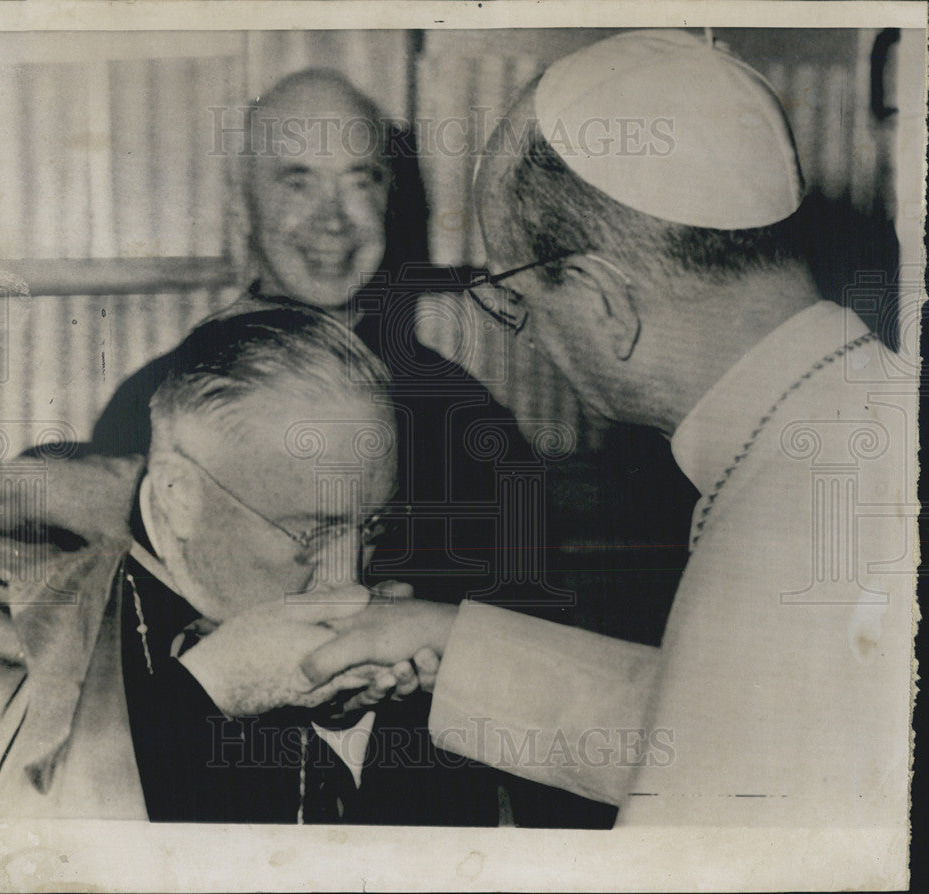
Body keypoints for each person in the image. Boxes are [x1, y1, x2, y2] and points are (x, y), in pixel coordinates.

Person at [298, 30, 914, 827]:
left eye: (519, 296)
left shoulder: (783, 540)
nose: (527, 330)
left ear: (604, 303)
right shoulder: (845, 424)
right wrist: (449, 645)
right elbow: (725, 738)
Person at [0, 307, 502, 825]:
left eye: (373, 526)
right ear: (179, 494)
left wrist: (350, 724)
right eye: (316, 532)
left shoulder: (406, 577)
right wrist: (213, 687)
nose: (349, 580)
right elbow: (17, 848)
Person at [90, 67, 565, 614]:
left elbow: (517, 641)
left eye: (360, 181)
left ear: (391, 198)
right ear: (242, 205)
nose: (333, 221)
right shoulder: (151, 404)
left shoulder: (470, 424)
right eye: (297, 182)